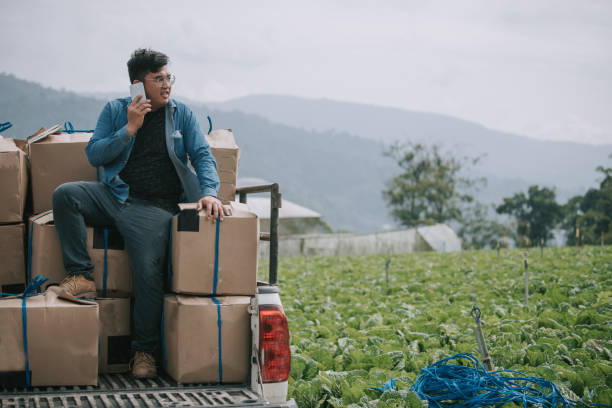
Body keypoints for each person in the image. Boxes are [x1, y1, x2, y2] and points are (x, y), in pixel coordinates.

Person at [52, 48, 228, 378]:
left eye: (168, 77)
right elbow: (94, 155)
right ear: (138, 84)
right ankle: (82, 275)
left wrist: (209, 193)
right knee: (66, 195)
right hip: (113, 195)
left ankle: (144, 352)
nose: (167, 85)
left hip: (154, 207)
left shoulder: (181, 114)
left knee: (148, 273)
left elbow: (202, 156)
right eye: (158, 78)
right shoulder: (117, 110)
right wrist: (129, 128)